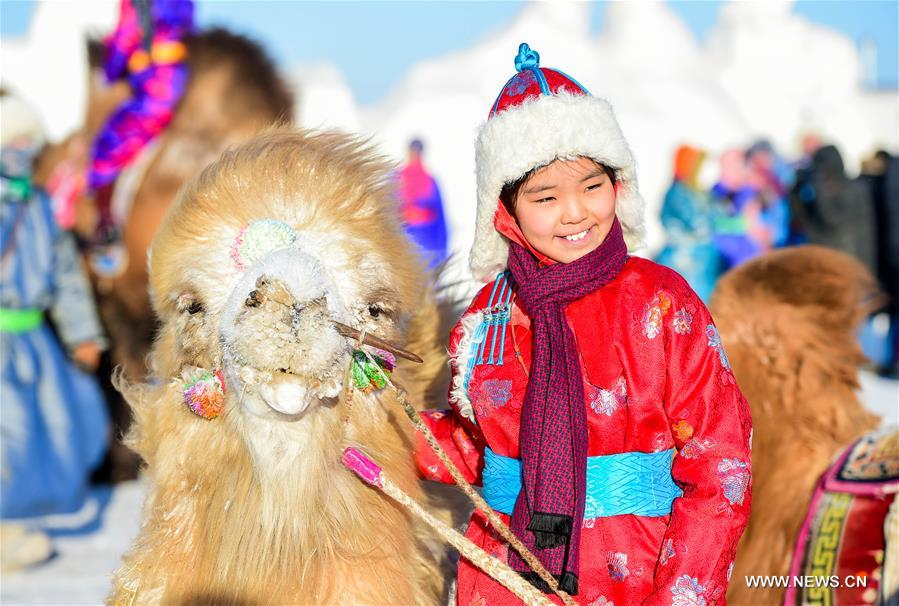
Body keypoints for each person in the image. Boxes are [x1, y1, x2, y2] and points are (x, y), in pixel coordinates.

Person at [415, 44, 752, 606]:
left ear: (617, 185)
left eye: (592, 186)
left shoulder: (660, 303)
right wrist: (378, 428)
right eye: (545, 197)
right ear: (506, 212)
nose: (575, 212)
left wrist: (683, 594)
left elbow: (721, 464)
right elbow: (478, 450)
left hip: (638, 580)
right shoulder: (489, 318)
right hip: (506, 578)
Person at [0, 92, 109, 571]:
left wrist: (83, 334)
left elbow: (63, 274)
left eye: (28, 140)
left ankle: (16, 520)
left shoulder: (40, 205)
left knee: (50, 430)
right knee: (9, 435)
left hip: (34, 340)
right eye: (11, 140)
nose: (21, 149)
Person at [654, 144, 722, 301]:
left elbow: (718, 218)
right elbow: (691, 224)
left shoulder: (698, 193)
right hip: (685, 263)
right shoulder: (678, 193)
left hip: (702, 264)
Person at [396, 138, 449, 269]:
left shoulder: (430, 181)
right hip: (404, 239)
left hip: (427, 242)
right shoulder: (398, 178)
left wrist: (442, 250)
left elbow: (440, 218)